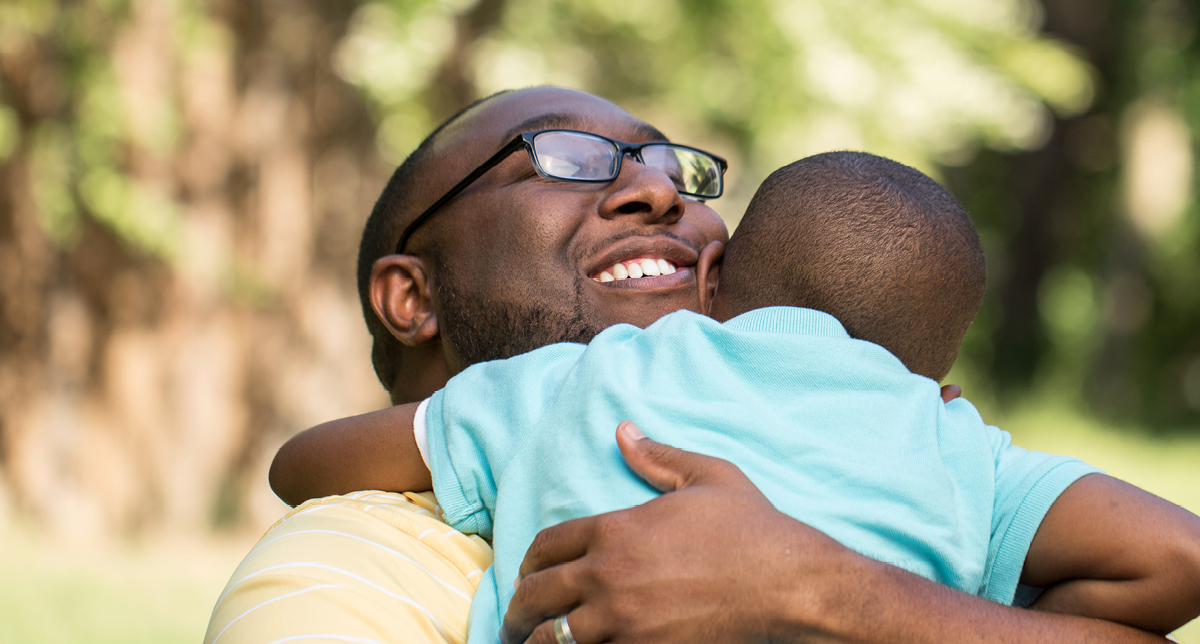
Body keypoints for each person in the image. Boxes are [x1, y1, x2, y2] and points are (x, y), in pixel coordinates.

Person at [205, 86, 1200, 644]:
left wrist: (826, 586)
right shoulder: (344, 574)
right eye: (565, 155)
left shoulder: (922, 484)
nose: (656, 192)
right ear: (410, 297)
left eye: (675, 171)